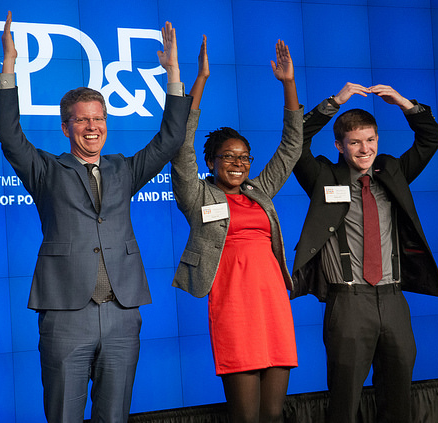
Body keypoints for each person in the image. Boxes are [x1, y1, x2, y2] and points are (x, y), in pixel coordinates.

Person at [0, 11, 191, 422]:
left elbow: (171, 138)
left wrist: (172, 74)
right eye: (82, 119)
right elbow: (10, 135)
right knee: (64, 414)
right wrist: (9, 66)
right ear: (66, 127)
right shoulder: (46, 170)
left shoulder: (124, 168)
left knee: (114, 415)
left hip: (123, 311)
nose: (91, 126)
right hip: (67, 312)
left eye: (98, 118)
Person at [291, 82, 438, 422]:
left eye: (370, 140)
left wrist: (404, 103)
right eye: (355, 142)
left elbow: (431, 137)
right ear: (340, 146)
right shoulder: (323, 176)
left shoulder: (392, 172)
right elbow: (295, 143)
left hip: (392, 299)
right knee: (345, 402)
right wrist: (334, 102)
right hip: (348, 302)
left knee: (398, 396)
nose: (364, 149)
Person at [171, 37, 302, 423]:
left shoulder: (259, 190)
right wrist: (200, 82)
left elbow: (292, 147)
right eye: (228, 156)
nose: (238, 163)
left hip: (273, 302)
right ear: (211, 162)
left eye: (244, 157)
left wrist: (288, 84)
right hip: (233, 306)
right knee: (246, 418)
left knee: (272, 415)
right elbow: (181, 150)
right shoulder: (198, 195)